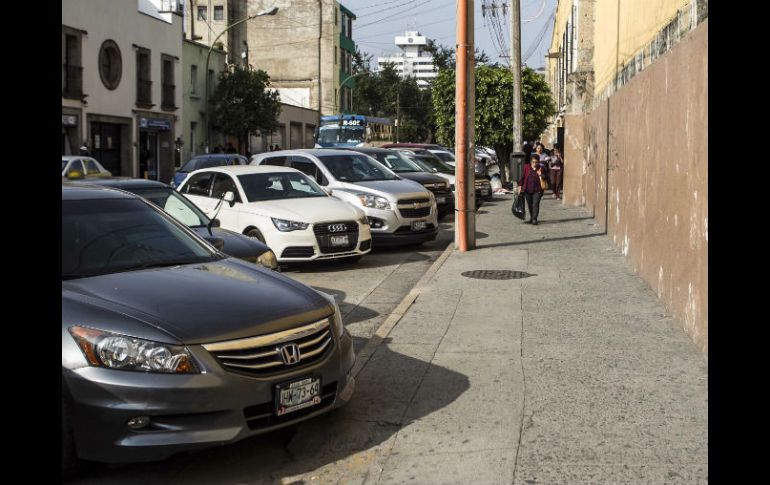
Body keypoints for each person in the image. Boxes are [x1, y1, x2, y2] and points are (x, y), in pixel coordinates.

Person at [518, 154, 545, 225]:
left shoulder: (541, 168)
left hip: (537, 190)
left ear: (538, 162)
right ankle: (532, 218)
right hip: (527, 189)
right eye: (533, 162)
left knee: (535, 204)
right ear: (530, 161)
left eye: (536, 162)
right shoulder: (526, 167)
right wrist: (520, 186)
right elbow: (522, 177)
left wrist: (540, 175)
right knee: (530, 205)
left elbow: (546, 177)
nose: (535, 164)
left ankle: (534, 219)